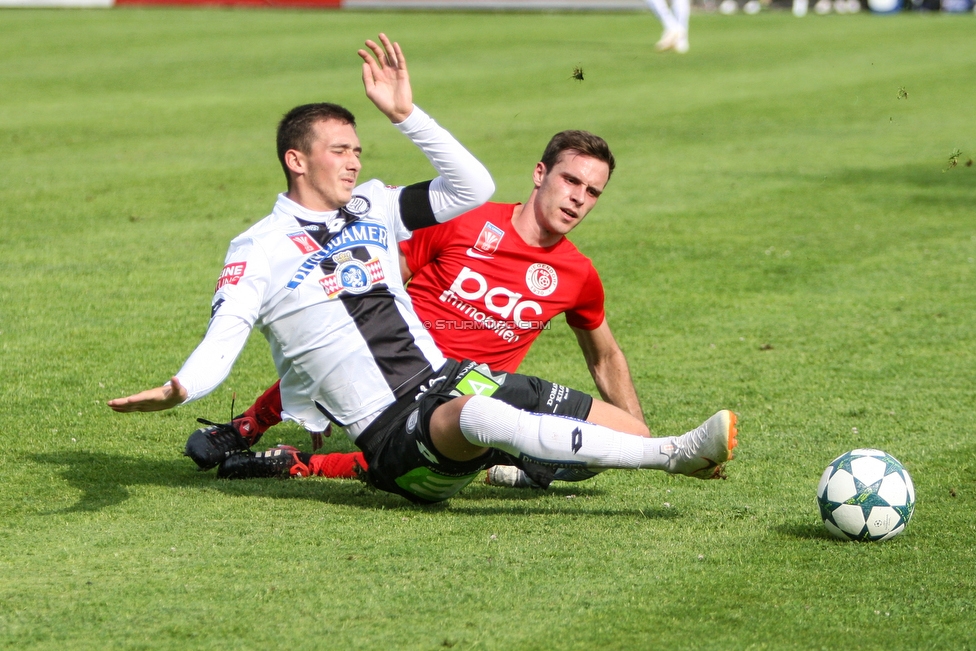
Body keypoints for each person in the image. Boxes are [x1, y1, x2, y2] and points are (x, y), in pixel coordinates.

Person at [109, 34, 738, 505]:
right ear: (296, 160)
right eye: (339, 151)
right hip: (398, 428)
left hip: (459, 378)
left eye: (359, 149)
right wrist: (180, 388)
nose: (355, 162)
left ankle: (594, 453)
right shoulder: (260, 246)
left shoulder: (376, 208)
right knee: (472, 416)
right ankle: (671, 454)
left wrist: (404, 114)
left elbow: (471, 182)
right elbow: (230, 329)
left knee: (602, 430)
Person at [193, 129, 648, 490]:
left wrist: (636, 431)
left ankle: (305, 464)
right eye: (571, 180)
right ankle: (247, 427)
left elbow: (604, 354)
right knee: (347, 342)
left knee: (588, 455)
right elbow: (365, 297)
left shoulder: (578, 274)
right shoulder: (464, 219)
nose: (578, 198)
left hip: (473, 399)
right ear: (539, 173)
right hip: (398, 369)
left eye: (592, 192)